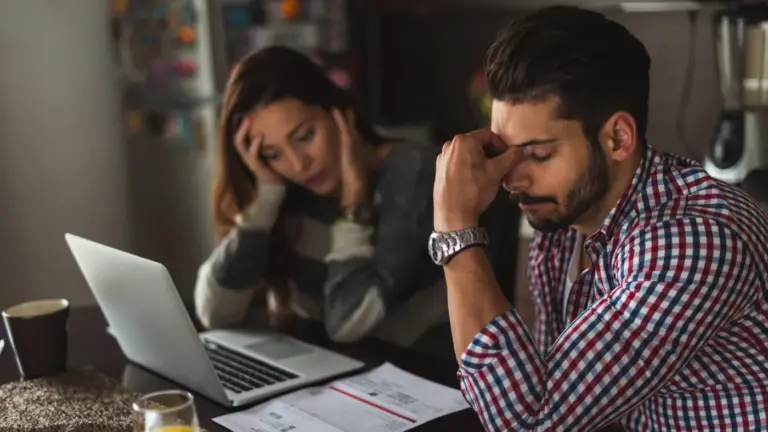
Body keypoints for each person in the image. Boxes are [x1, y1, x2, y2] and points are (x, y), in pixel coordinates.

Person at [430, 6, 768, 431]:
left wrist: (455, 230)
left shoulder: (692, 240)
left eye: (537, 154)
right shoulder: (560, 227)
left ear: (618, 138)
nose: (512, 179)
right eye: (504, 152)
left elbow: (531, 421)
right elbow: (552, 393)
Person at [194, 46, 449, 353]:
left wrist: (354, 203)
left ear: (337, 111)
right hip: (324, 370)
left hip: (416, 374)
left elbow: (347, 323)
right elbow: (214, 312)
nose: (298, 165)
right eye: (273, 154)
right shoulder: (286, 187)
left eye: (304, 136)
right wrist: (265, 199)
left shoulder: (413, 172)